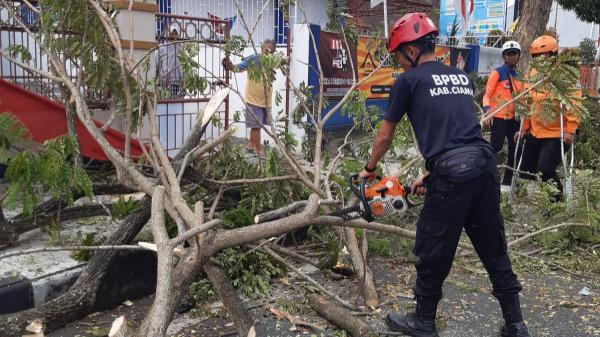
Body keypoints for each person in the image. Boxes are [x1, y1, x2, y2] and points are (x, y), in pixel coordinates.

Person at [359, 13, 529, 337]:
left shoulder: (408, 81)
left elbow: (383, 138)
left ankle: (423, 321)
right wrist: (432, 175)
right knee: (494, 247)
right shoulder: (460, 77)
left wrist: (369, 171)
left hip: (455, 172)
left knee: (431, 246)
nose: (399, 63)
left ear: (410, 50)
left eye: (398, 55)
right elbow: (459, 134)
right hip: (483, 164)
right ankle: (516, 324)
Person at [515, 35, 580, 201]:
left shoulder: (564, 76)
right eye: (536, 57)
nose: (540, 60)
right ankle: (542, 192)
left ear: (553, 55)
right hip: (535, 131)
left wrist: (571, 130)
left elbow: (574, 103)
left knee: (544, 168)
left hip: (556, 134)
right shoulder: (532, 74)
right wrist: (524, 128)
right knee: (526, 169)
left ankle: (556, 199)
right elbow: (527, 103)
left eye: (544, 56)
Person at [222, 40, 276, 156]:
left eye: (271, 51)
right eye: (266, 49)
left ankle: (251, 144)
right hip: (253, 99)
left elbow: (282, 61)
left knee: (258, 125)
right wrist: (229, 65)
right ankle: (258, 150)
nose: (268, 52)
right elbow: (237, 68)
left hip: (266, 101)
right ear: (261, 48)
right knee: (257, 126)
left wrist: (286, 59)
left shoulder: (272, 61)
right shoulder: (253, 59)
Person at [483, 41, 523, 192]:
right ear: (504, 56)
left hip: (514, 120)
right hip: (499, 117)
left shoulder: (519, 76)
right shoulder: (497, 73)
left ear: (519, 56)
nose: (512, 56)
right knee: (495, 147)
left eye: (515, 53)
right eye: (509, 54)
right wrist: (488, 111)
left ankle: (508, 182)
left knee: (515, 149)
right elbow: (487, 95)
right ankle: (489, 177)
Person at [157, 24, 183, 98]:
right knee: (165, 100)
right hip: (164, 80)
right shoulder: (162, 48)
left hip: (177, 81)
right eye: (172, 34)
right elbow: (158, 64)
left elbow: (182, 65)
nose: (174, 36)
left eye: (175, 34)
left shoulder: (179, 48)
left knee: (176, 101)